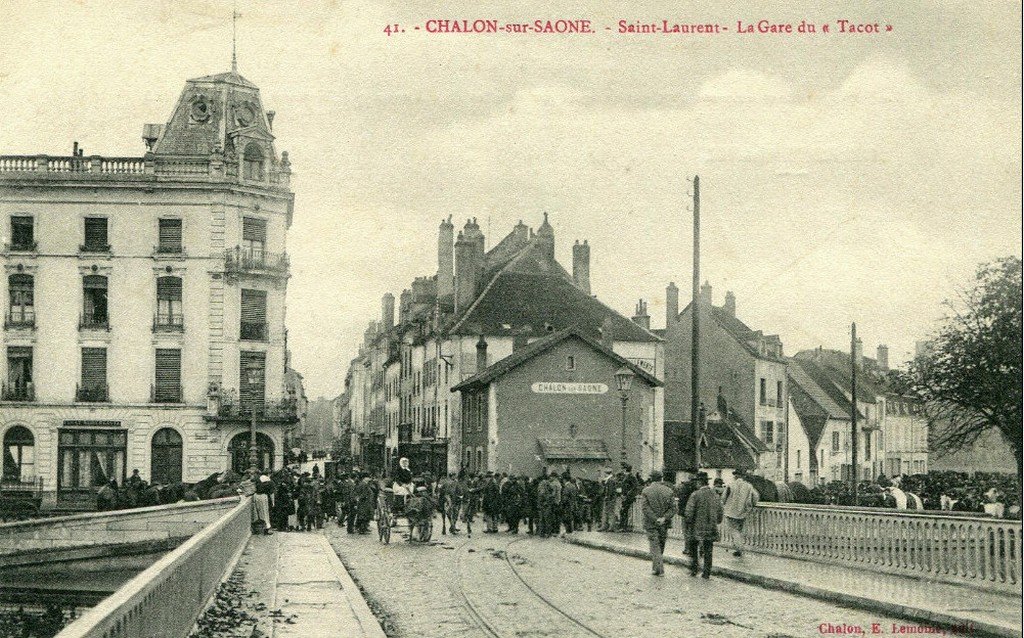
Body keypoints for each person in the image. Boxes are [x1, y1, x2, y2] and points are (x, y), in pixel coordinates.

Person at [685, 472, 723, 578]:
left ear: (700, 482)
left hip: (696, 527)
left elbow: (689, 512)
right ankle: (707, 572)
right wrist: (717, 521)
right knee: (708, 550)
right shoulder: (715, 494)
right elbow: (720, 511)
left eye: (697, 482)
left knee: (693, 548)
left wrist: (688, 522)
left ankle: (694, 569)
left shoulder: (695, 495)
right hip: (711, 526)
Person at [641, 471, 675, 576]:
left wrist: (656, 519)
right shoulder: (669, 491)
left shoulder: (646, 491)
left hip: (651, 523)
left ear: (651, 479)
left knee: (654, 546)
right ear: (661, 479)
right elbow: (673, 508)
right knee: (661, 545)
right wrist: (664, 518)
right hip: (664, 523)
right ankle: (656, 568)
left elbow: (645, 508)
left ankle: (659, 569)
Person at [723, 469, 760, 557]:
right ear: (743, 476)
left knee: (734, 531)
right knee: (739, 530)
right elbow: (756, 496)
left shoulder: (730, 485)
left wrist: (725, 504)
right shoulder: (748, 486)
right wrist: (751, 505)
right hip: (743, 512)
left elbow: (724, 498)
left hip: (731, 512)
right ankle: (737, 549)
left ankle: (739, 549)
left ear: (735, 476)